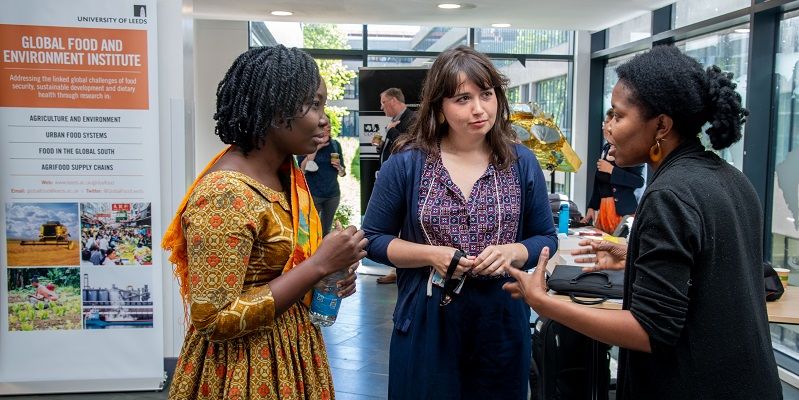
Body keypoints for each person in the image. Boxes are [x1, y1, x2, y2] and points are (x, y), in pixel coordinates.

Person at [502, 45, 782, 399]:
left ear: (661, 125)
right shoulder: (730, 178)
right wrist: (634, 256)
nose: (607, 129)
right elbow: (711, 270)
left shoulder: (669, 194)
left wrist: (543, 302)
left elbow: (649, 331)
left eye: (618, 117)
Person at [163, 45, 368, 400]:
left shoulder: (286, 173)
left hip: (292, 351)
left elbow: (281, 270)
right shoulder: (225, 194)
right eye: (314, 104)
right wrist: (318, 265)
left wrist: (325, 277)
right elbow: (212, 318)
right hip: (241, 369)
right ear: (275, 110)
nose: (323, 118)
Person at [362, 45, 558, 399]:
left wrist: (512, 251)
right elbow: (373, 238)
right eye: (462, 99)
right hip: (428, 315)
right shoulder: (407, 163)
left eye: (486, 94)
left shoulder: (520, 162)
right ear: (439, 106)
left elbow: (545, 237)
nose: (479, 109)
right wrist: (430, 254)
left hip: (501, 318)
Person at [374, 88, 417, 284]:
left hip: (405, 182)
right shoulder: (397, 120)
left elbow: (410, 145)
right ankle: (395, 268)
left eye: (383, 102)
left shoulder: (413, 118)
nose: (381, 107)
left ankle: (399, 268)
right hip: (391, 181)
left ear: (392, 101)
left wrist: (391, 131)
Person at [582, 108, 645, 234]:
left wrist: (611, 170)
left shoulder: (630, 150)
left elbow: (639, 182)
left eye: (607, 123)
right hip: (604, 210)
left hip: (622, 213)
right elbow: (598, 180)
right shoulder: (606, 148)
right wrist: (592, 207)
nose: (604, 127)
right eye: (604, 123)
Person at [298, 121, 346, 236]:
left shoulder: (335, 145)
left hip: (332, 195)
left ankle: (326, 253)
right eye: (324, 128)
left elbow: (343, 173)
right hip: (313, 194)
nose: (327, 131)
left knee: (326, 230)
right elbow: (302, 169)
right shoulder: (307, 144)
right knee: (310, 230)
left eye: (329, 129)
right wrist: (317, 148)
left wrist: (339, 167)